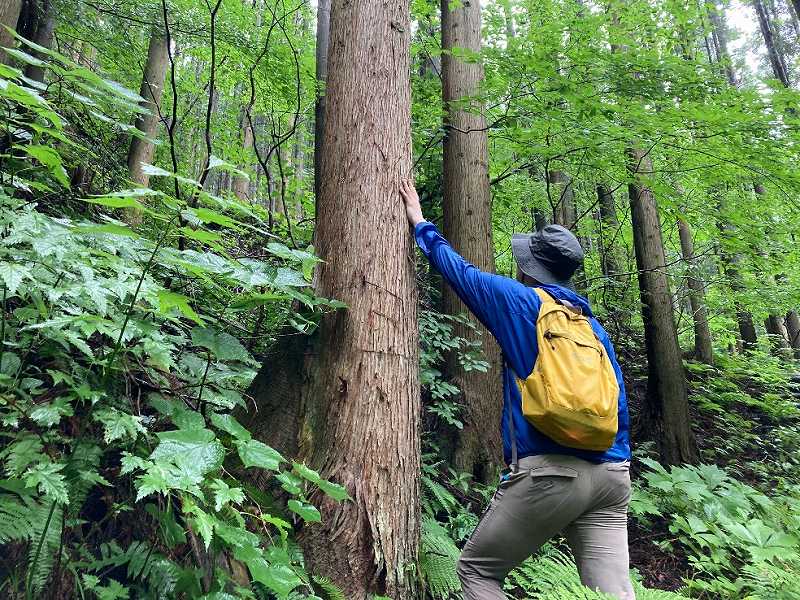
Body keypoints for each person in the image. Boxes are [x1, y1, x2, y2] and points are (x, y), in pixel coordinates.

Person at [399, 180, 634, 600]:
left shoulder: (521, 302)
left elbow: (460, 273)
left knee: (476, 572)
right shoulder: (592, 326)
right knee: (614, 594)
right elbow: (620, 404)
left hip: (551, 472)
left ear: (528, 268)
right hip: (613, 476)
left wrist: (420, 223)